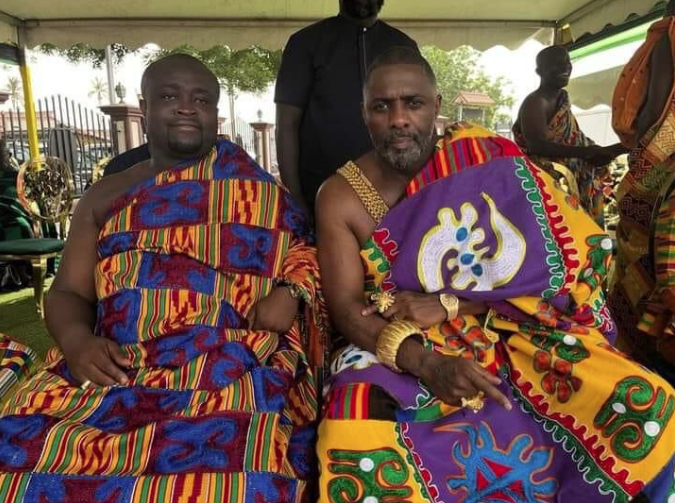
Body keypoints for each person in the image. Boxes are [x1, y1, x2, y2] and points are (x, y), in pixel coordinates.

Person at [315, 47, 675, 502]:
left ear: (437, 106)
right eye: (382, 107)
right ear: (365, 114)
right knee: (354, 427)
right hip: (393, 337)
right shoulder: (340, 196)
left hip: (509, 320)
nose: (399, 118)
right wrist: (426, 363)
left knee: (647, 402)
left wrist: (455, 303)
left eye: (414, 103)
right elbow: (347, 308)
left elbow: (563, 264)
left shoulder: (484, 156)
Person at [0, 54, 328, 501]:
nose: (187, 107)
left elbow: (307, 251)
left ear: (216, 114)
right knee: (18, 450)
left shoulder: (260, 191)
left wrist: (290, 292)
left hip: (231, 362)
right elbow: (68, 292)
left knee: (241, 469)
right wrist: (77, 344)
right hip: (121, 362)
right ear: (145, 106)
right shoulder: (104, 195)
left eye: (201, 99)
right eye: (170, 96)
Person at [275, 0, 417, 218]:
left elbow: (417, 118)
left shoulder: (403, 46)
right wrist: (295, 198)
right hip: (320, 198)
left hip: (395, 198)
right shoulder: (305, 43)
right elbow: (286, 125)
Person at [608, 0, 675, 384]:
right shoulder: (669, 33)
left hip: (660, 164)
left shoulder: (668, 35)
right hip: (663, 160)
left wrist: (642, 159)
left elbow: (651, 110)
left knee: (642, 259)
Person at [513, 45, 625, 227]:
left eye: (567, 62)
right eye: (557, 64)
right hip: (551, 187)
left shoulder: (561, 101)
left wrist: (605, 151)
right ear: (539, 71)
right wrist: (586, 153)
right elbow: (536, 146)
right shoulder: (535, 102)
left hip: (572, 181)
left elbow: (575, 142)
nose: (566, 67)